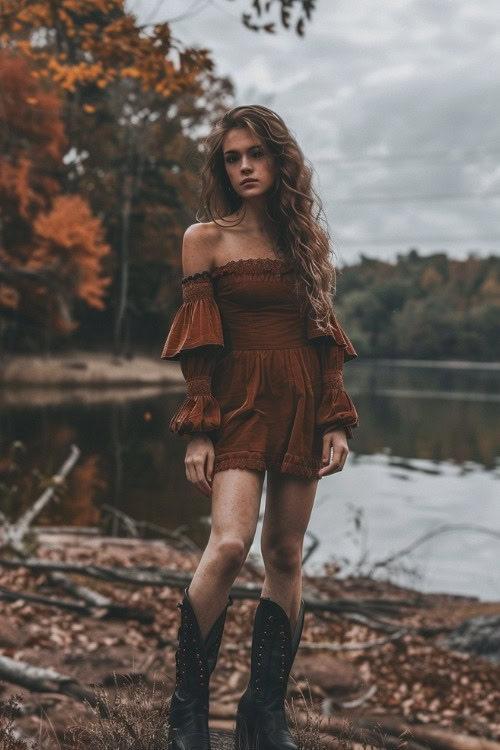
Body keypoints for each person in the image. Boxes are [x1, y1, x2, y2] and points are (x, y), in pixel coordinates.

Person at [160, 104, 359, 750]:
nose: (245, 167)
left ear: (280, 160)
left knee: (285, 553)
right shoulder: (205, 238)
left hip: (302, 400)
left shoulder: (306, 241)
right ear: (224, 166)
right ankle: (187, 711)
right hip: (238, 402)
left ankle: (262, 714)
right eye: (232, 157)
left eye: (256, 155)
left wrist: (336, 419)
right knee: (227, 544)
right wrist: (199, 427)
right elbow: (199, 341)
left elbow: (323, 335)